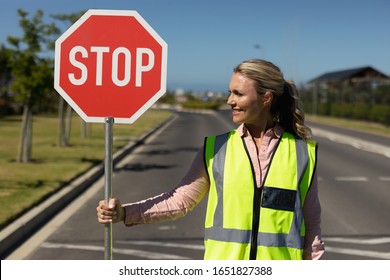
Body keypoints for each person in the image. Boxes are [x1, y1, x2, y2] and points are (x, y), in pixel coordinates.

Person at [97, 59, 325, 260]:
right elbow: (179, 201)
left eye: (238, 93)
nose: (229, 101)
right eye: (230, 92)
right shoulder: (215, 148)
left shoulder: (302, 153)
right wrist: (124, 213)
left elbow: (311, 222)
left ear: (266, 98)